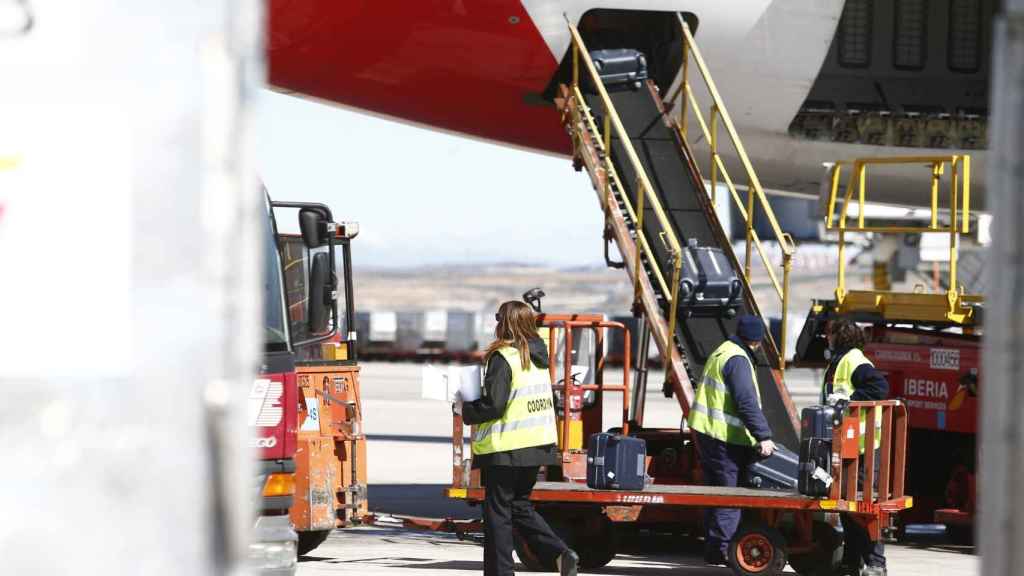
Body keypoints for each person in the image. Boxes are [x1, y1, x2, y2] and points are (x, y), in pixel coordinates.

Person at [458, 300, 578, 576]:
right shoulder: (537, 358)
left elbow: (494, 406)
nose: (495, 323)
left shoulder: (504, 358)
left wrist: (465, 409)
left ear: (507, 322)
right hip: (538, 447)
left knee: (497, 515)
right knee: (520, 507)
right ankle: (560, 554)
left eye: (498, 318)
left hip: (507, 449)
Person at [687, 315, 776, 566]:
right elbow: (746, 402)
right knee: (730, 495)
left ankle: (714, 548)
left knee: (715, 493)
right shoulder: (738, 359)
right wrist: (764, 436)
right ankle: (722, 551)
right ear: (757, 342)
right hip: (724, 437)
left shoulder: (723, 350)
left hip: (708, 433)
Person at [823, 318, 888, 576]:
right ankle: (851, 561)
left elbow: (879, 387)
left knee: (863, 508)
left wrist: (849, 400)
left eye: (830, 334)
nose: (827, 338)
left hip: (862, 446)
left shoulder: (854, 360)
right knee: (847, 509)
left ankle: (875, 564)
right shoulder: (840, 360)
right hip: (847, 445)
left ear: (841, 335)